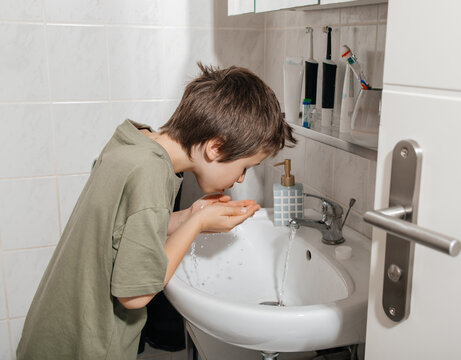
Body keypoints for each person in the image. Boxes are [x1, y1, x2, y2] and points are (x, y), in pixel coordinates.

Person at [17, 63, 296, 360]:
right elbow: (135, 295)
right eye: (244, 168)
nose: (240, 179)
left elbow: (122, 225)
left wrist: (187, 216)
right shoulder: (152, 174)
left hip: (52, 332)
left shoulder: (134, 141)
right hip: (89, 346)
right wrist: (196, 224)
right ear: (215, 148)